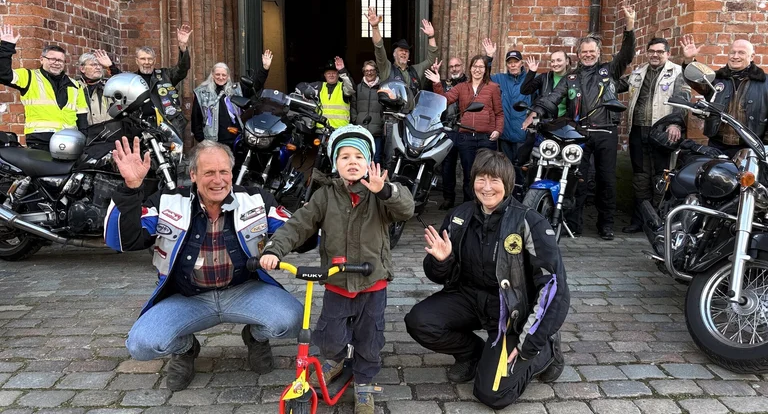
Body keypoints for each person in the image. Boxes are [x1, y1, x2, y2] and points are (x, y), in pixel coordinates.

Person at [104, 139, 303, 391]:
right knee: (142, 344)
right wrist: (131, 189)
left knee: (293, 319)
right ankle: (186, 349)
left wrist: (325, 222)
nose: (218, 180)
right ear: (193, 175)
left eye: (224, 172)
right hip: (187, 296)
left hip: (244, 290)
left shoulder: (256, 199)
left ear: (232, 173)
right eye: (209, 172)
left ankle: (255, 337)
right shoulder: (167, 201)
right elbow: (123, 240)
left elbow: (298, 230)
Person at [260, 125, 414, 414]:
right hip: (336, 281)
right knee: (330, 334)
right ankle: (336, 358)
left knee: (370, 337)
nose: (352, 162)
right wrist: (274, 249)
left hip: (372, 282)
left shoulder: (379, 194)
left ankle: (365, 383)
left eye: (358, 156)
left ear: (369, 162)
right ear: (335, 163)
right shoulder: (325, 196)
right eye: (344, 157)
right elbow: (298, 225)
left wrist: (386, 191)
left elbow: (406, 209)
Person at [404, 149, 569, 409]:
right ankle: (471, 354)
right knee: (420, 321)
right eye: (481, 179)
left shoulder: (530, 223)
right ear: (473, 182)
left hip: (510, 313)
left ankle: (546, 351)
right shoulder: (460, 216)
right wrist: (442, 260)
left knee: (493, 394)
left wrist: (529, 345)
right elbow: (435, 274)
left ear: (508, 184)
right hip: (468, 298)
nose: (487, 187)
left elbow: (554, 291)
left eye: (495, 180)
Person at [522, 2, 636, 240]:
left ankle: (606, 225)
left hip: (606, 131)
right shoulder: (571, 77)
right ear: (578, 54)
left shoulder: (609, 71)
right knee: (577, 180)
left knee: (606, 180)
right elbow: (552, 98)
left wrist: (630, 27)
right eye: (583, 51)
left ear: (598, 52)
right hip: (580, 133)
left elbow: (626, 55)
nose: (587, 54)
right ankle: (574, 224)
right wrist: (537, 112)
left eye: (591, 51)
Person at [621, 38, 690, 233]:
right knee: (640, 177)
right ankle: (640, 219)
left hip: (663, 131)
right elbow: (617, 85)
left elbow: (682, 99)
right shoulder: (638, 73)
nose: (655, 54)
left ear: (667, 53)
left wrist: (676, 123)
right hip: (638, 130)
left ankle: (658, 221)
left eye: (660, 51)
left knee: (662, 176)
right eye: (651, 51)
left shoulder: (677, 72)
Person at [425, 55, 503, 203]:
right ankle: (470, 207)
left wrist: (498, 130)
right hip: (466, 136)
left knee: (486, 173)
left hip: (487, 137)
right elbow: (444, 100)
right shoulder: (461, 87)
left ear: (485, 69)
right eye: (475, 66)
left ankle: (486, 205)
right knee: (469, 175)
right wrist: (436, 83)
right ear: (470, 68)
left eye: (481, 67)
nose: (477, 70)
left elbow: (499, 112)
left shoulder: (492, 88)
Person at [0, 24, 88, 150]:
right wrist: (6, 47)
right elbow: (3, 75)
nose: (56, 63)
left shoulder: (75, 85)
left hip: (70, 140)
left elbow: (82, 117)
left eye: (60, 61)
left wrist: (83, 138)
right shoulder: (29, 77)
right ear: (42, 59)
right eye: (52, 59)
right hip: (40, 139)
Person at [681, 35, 768, 155]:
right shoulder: (716, 78)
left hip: (751, 147)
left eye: (741, 53)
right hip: (717, 145)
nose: (735, 56)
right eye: (732, 52)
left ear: (752, 56)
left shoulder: (764, 82)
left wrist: (765, 146)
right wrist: (689, 61)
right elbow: (695, 82)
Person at [109, 24, 192, 136]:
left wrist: (183, 47)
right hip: (139, 126)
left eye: (150, 59)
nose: (147, 62)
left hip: (167, 125)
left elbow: (182, 69)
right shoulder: (131, 79)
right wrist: (110, 66)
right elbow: (119, 81)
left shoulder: (166, 75)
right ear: (137, 61)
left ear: (154, 61)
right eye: (143, 59)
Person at [191, 50, 273, 151]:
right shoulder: (201, 93)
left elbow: (255, 85)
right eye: (217, 74)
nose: (221, 78)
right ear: (212, 75)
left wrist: (265, 68)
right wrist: (203, 141)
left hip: (237, 140)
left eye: (224, 75)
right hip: (212, 142)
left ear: (228, 76)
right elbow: (196, 120)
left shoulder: (237, 89)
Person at [367, 6, 438, 96]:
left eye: (406, 51)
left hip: (413, 110)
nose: (404, 53)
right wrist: (375, 27)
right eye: (401, 50)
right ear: (394, 54)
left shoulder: (416, 70)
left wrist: (431, 36)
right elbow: (379, 48)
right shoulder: (386, 68)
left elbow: (431, 60)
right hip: (392, 110)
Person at [429, 56, 467, 210]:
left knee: (468, 166)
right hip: (448, 130)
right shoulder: (443, 84)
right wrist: (435, 77)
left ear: (462, 66)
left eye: (457, 65)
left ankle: (467, 200)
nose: (454, 69)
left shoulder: (470, 83)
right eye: (451, 67)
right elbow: (437, 100)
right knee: (447, 167)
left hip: (465, 129)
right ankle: (448, 198)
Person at [491, 49, 532, 165]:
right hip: (505, 133)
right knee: (506, 168)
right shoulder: (499, 79)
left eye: (516, 61)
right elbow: (484, 78)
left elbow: (539, 102)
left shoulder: (529, 79)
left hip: (522, 134)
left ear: (521, 63)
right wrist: (489, 58)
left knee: (520, 169)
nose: (513, 65)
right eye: (509, 62)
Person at [352, 61, 385, 163]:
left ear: (376, 71)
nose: (369, 73)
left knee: (376, 158)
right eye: (366, 71)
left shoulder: (383, 87)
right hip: (361, 130)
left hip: (377, 130)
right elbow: (353, 105)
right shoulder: (358, 88)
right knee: (361, 157)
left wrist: (382, 121)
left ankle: (374, 179)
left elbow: (386, 108)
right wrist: (355, 119)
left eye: (371, 70)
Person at [520, 51, 572, 115]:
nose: (555, 64)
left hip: (566, 121)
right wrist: (531, 72)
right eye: (552, 61)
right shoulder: (544, 77)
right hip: (546, 120)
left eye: (559, 60)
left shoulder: (573, 79)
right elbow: (525, 90)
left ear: (567, 61)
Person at [312, 57, 355, 129]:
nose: (331, 75)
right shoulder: (319, 86)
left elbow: (351, 89)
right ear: (325, 75)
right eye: (328, 73)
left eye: (334, 73)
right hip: (322, 131)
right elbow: (301, 86)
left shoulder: (343, 86)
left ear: (338, 75)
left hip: (340, 130)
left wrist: (342, 70)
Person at [76, 50, 115, 125]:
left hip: (108, 133)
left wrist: (111, 67)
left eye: (100, 65)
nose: (98, 67)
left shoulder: (109, 85)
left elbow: (126, 85)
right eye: (93, 65)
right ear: (82, 69)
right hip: (83, 134)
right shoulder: (75, 87)